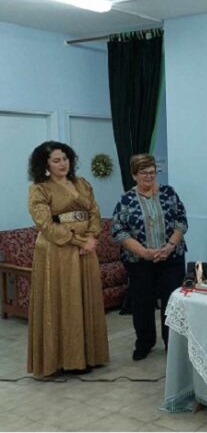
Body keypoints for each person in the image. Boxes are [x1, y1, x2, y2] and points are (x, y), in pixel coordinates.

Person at [27, 141, 109, 377]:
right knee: (66, 301)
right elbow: (45, 225)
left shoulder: (82, 183)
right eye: (56, 160)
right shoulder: (39, 190)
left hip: (87, 250)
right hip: (58, 252)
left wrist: (91, 237)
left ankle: (89, 356)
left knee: (88, 298)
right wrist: (79, 241)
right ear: (45, 165)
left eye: (65, 159)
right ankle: (66, 360)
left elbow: (94, 212)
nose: (62, 164)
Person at [111, 154, 188, 361]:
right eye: (144, 172)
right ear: (134, 175)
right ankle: (144, 342)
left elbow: (181, 221)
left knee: (172, 302)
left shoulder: (169, 193)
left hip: (171, 257)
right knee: (142, 303)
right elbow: (118, 231)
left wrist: (170, 246)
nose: (149, 176)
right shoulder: (126, 200)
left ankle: (172, 343)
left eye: (152, 172)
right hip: (139, 261)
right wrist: (143, 252)